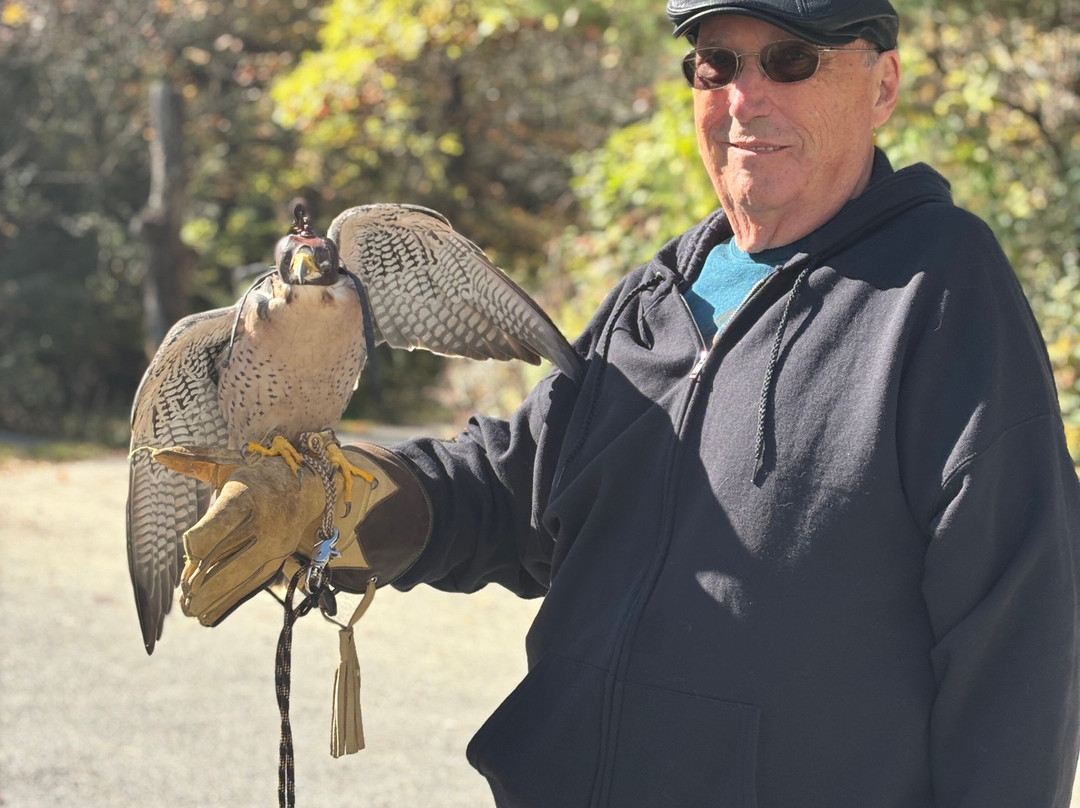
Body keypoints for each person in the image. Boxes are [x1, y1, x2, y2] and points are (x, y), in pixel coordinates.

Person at [176, 0, 1080, 805]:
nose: (742, 96)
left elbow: (1020, 642)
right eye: (715, 63)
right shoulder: (660, 294)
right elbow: (513, 490)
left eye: (792, 59)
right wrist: (343, 496)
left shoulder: (943, 293)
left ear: (883, 85)